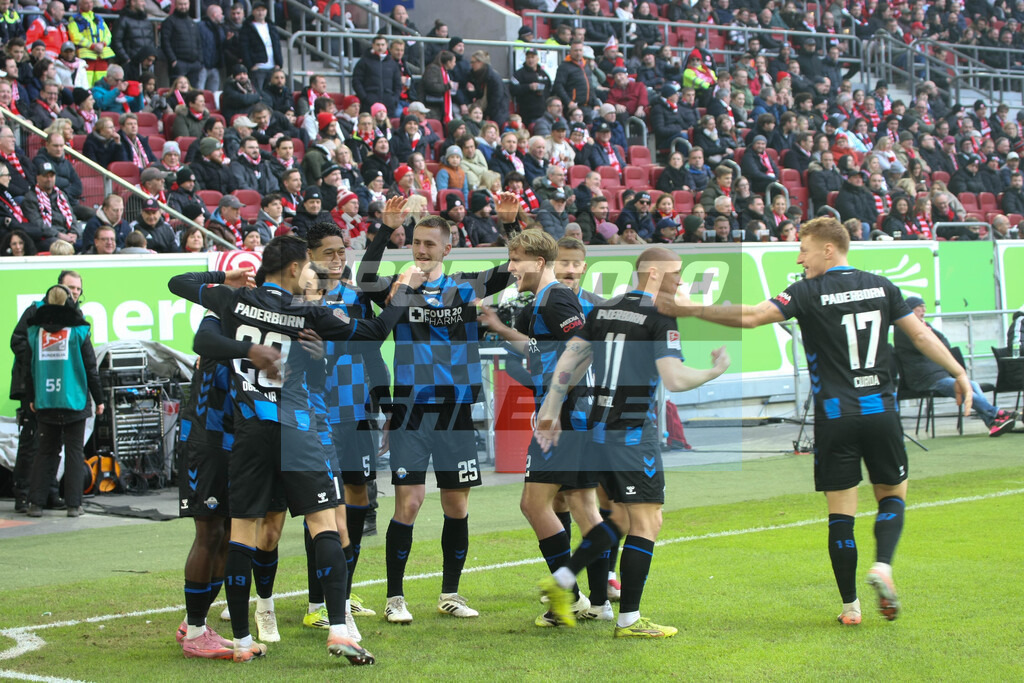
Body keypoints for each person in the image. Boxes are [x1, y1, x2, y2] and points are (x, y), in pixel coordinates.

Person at [658, 216, 974, 626]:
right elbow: (921, 336)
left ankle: (850, 606)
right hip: (881, 412)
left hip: (834, 417)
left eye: (803, 249)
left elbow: (752, 316)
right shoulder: (883, 285)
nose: (799, 257)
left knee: (840, 511)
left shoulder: (805, 292)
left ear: (829, 248)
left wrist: (691, 308)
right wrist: (959, 373)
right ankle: (883, 566)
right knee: (892, 495)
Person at [167, 241, 423, 664]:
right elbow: (376, 332)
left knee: (243, 532)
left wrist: (224, 281)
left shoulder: (235, 301)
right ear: (292, 268)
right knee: (324, 524)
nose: (312, 274)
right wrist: (403, 294)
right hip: (295, 428)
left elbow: (179, 283)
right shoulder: (308, 313)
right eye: (307, 267)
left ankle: (245, 638)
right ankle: (338, 630)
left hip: (249, 433)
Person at [534, 247, 729, 635]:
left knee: (620, 517)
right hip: (633, 432)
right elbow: (674, 378)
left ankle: (562, 581)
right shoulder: (661, 315)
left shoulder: (604, 309)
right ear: (653, 273)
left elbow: (571, 357)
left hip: (597, 429)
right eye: (676, 274)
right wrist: (713, 371)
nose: (680, 282)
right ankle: (630, 620)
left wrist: (551, 408)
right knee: (647, 520)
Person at [356, 194, 519, 623]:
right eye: (416, 242)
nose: (421, 250)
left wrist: (510, 226)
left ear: (448, 248)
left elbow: (516, 266)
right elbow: (363, 277)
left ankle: (450, 593)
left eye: (430, 244)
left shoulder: (466, 286)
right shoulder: (397, 286)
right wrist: (382, 228)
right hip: (410, 409)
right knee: (408, 503)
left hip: (456, 411)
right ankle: (395, 598)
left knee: (456, 507)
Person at [478, 230, 611, 625]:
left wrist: (552, 405)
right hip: (572, 413)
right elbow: (544, 349)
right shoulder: (544, 300)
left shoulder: (556, 297)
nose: (511, 267)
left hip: (566, 416)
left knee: (534, 504)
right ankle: (600, 603)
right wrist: (501, 330)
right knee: (584, 507)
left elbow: (583, 348)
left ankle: (568, 597)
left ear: (538, 262)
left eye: (516, 259)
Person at [23, 282, 105, 517]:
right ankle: (74, 505)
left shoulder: (35, 332)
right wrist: (98, 399)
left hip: (45, 400)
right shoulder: (79, 331)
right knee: (74, 453)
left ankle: (35, 503)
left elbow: (28, 368)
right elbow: (91, 367)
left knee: (45, 452)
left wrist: (31, 396)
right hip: (74, 400)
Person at [895, 297, 1016, 436]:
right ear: (910, 309)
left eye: (925, 306)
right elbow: (927, 346)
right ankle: (996, 413)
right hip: (924, 379)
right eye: (920, 307)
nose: (924, 310)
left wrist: (929, 333)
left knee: (973, 385)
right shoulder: (903, 330)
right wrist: (929, 335)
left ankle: (992, 423)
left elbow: (945, 344)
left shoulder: (925, 327)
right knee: (966, 389)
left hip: (939, 375)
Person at [352, 34, 402, 116]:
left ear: (386, 46)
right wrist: (365, 97)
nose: (380, 47)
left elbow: (398, 85)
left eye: (382, 45)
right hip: (369, 104)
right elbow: (356, 81)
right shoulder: (364, 62)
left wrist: (394, 99)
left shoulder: (393, 64)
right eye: (378, 44)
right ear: (373, 45)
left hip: (388, 104)